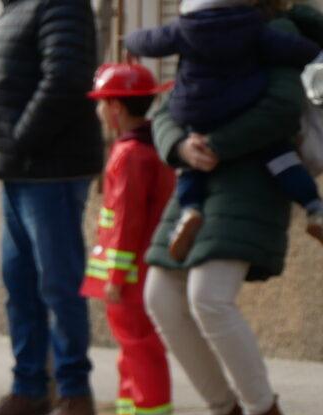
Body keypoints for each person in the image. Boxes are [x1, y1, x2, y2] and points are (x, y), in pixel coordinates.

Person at [141, 0, 322, 415]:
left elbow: (282, 108)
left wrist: (217, 145)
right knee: (159, 294)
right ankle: (225, 412)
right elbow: (167, 106)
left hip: (254, 180)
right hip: (194, 182)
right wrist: (179, 145)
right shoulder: (199, 30)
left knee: (209, 297)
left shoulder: (272, 29)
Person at [0, 0, 105, 415]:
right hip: (20, 169)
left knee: (58, 283)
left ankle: (74, 394)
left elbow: (66, 78)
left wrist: (20, 139)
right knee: (20, 282)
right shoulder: (19, 7)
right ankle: (29, 389)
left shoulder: (60, 4)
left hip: (51, 168)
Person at [124, 0, 322, 259]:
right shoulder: (255, 28)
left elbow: (149, 41)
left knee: (191, 169)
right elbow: (296, 50)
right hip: (242, 109)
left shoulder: (185, 29)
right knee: (281, 158)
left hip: (199, 122)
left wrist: (129, 41)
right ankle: (313, 206)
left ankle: (189, 210)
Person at [81, 63, 177, 415]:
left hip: (131, 274)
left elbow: (126, 221)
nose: (100, 111)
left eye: (103, 103)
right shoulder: (146, 148)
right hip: (137, 270)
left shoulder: (130, 155)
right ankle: (131, 414)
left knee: (139, 345)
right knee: (130, 347)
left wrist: (116, 278)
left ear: (116, 108)